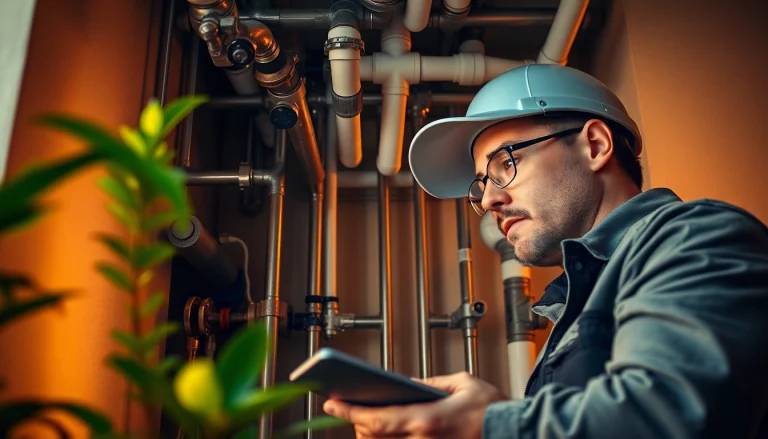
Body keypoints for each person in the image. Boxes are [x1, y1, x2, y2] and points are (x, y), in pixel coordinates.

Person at [322, 63, 768, 438]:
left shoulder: (697, 236)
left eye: (505, 164)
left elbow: (667, 416)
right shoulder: (575, 303)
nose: (489, 201)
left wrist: (487, 425)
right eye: (481, 184)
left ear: (595, 145)